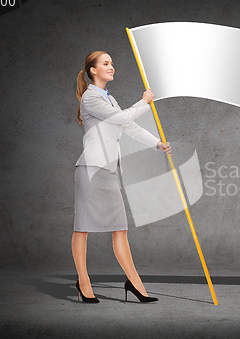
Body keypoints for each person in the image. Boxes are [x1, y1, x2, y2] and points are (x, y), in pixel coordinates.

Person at [73, 51, 171, 303]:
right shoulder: (90, 98)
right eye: (106, 63)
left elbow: (130, 127)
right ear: (93, 70)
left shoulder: (109, 98)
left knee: (120, 228)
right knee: (83, 228)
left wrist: (157, 143)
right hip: (91, 170)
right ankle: (84, 283)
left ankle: (135, 284)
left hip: (108, 170)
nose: (111, 67)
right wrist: (144, 102)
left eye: (112, 63)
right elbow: (123, 117)